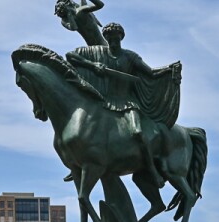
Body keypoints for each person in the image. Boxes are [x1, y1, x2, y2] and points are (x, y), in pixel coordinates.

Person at [64, 22, 181, 186]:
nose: (113, 42)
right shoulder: (98, 53)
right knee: (86, 131)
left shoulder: (130, 57)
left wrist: (169, 69)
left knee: (138, 132)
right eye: (110, 39)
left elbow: (151, 73)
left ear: (121, 38)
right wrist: (92, 65)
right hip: (103, 103)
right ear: (106, 39)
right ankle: (79, 161)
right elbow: (70, 55)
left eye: (116, 39)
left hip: (127, 103)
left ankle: (152, 170)